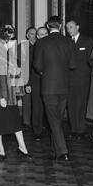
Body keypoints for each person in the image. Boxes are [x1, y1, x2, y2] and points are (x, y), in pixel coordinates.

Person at [0, 25, 31, 160]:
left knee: (15, 120)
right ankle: (0, 147)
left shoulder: (7, 49)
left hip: (10, 91)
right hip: (1, 92)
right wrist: (0, 97)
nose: (12, 38)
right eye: (10, 35)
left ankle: (22, 147)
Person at [33, 16, 76, 161]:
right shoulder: (69, 41)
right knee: (57, 118)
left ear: (47, 26)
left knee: (54, 120)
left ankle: (63, 151)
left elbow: (37, 65)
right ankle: (55, 150)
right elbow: (72, 65)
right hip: (64, 86)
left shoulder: (42, 42)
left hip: (48, 86)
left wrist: (44, 72)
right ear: (61, 25)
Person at [66, 20, 93, 140]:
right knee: (71, 105)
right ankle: (74, 130)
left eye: (71, 27)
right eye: (67, 28)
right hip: (69, 80)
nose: (69, 30)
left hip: (83, 80)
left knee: (81, 105)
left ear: (77, 27)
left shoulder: (87, 40)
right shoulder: (66, 41)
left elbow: (91, 60)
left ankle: (81, 130)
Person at [30, 26, 49, 140]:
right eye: (41, 34)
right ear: (37, 36)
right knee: (37, 107)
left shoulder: (52, 47)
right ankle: (37, 132)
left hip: (49, 81)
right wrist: (27, 84)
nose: (43, 36)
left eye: (45, 33)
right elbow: (28, 67)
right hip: (36, 81)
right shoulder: (33, 48)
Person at [20, 27, 36, 128]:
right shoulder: (22, 47)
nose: (33, 36)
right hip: (26, 78)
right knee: (26, 102)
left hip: (38, 78)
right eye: (31, 34)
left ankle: (37, 123)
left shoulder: (41, 45)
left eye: (35, 33)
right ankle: (26, 123)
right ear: (27, 35)